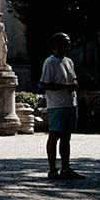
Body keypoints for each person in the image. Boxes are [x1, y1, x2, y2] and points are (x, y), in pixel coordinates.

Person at [40, 32, 84, 180]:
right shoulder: (50, 62)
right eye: (66, 41)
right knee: (54, 136)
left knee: (66, 137)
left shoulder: (69, 61)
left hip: (70, 103)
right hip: (57, 104)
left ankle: (66, 168)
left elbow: (74, 78)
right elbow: (45, 84)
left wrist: (75, 84)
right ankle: (52, 169)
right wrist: (66, 86)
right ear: (57, 44)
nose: (69, 44)